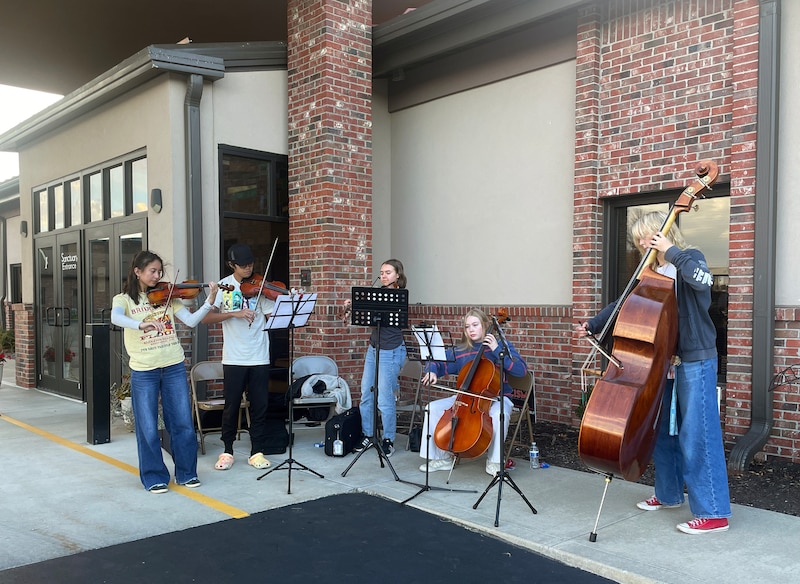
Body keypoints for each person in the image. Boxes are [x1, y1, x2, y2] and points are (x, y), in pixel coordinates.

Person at [576, 210, 731, 535]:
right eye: (637, 241)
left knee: (697, 434)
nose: (641, 244)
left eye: (645, 237)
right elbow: (622, 304)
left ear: (661, 233)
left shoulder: (688, 258)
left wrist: (672, 251)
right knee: (662, 431)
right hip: (663, 361)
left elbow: (704, 282)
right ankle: (669, 494)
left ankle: (714, 512)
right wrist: (593, 324)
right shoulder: (650, 272)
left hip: (694, 359)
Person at [111, 250, 219, 494]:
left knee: (181, 422)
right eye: (152, 271)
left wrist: (209, 301)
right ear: (137, 271)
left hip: (173, 366)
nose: (157, 275)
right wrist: (141, 324)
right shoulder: (124, 300)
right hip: (144, 370)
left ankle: (186, 473)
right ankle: (154, 476)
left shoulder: (169, 296)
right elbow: (116, 318)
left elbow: (190, 321)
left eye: (160, 271)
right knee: (147, 426)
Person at [419, 308, 528, 476]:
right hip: (465, 398)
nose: (471, 329)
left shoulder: (502, 346)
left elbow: (521, 371)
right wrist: (432, 370)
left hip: (497, 397)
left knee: (500, 414)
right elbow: (438, 361)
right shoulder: (463, 350)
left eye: (475, 325)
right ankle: (442, 458)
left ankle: (494, 462)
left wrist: (497, 350)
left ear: (485, 325)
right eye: (467, 326)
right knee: (431, 408)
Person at [202, 243, 275, 472]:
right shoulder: (225, 286)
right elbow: (207, 318)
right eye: (243, 265)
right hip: (234, 357)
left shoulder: (260, 286)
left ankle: (257, 451)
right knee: (231, 406)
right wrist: (235, 313)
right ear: (232, 265)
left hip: (259, 356)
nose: (248, 268)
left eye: (251, 264)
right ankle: (227, 451)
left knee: (260, 406)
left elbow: (273, 315)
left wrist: (287, 300)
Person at [346, 259, 408, 457]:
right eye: (381, 272)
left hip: (391, 350)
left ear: (398, 275)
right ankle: (368, 435)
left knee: (384, 398)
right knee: (366, 393)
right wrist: (353, 308)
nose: (383, 276)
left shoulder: (398, 296)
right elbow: (371, 322)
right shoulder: (377, 295)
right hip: (374, 349)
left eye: (388, 272)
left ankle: (388, 439)